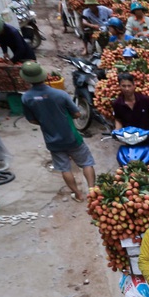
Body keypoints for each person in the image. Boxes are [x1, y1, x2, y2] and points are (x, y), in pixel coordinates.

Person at [20, 61, 95, 202]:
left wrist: (45, 121)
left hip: (52, 140)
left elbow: (32, 120)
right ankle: (92, 192)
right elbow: (77, 114)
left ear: (26, 79)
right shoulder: (60, 94)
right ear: (44, 75)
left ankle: (78, 195)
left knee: (65, 168)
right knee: (86, 162)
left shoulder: (26, 98)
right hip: (71, 137)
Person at [112, 72, 149, 157]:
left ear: (134, 86)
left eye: (129, 86)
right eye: (123, 86)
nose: (127, 89)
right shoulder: (117, 104)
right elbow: (118, 119)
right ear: (119, 86)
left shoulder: (145, 100)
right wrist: (117, 131)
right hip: (131, 139)